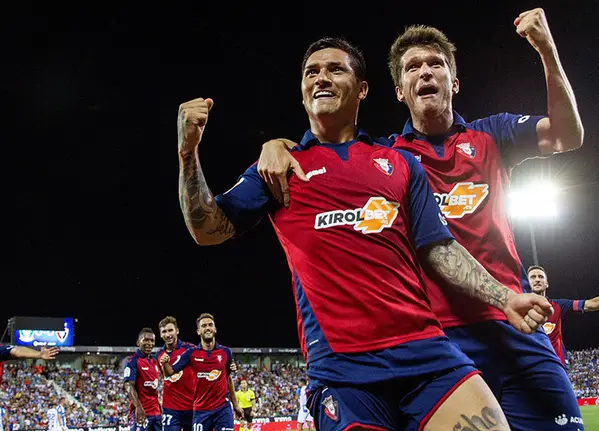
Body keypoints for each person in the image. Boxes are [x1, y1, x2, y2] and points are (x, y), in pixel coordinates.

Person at [175, 37, 552, 431]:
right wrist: (188, 154)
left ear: (362, 89)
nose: (321, 78)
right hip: (344, 370)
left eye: (335, 69)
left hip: (428, 353)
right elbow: (207, 229)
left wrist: (505, 297)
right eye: (311, 72)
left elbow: (439, 249)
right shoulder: (279, 168)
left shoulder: (400, 163)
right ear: (302, 93)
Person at [257, 10, 585, 430]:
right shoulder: (386, 159)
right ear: (399, 91)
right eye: (413, 67)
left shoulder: (492, 135)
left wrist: (546, 49)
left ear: (455, 81)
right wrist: (277, 144)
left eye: (436, 64)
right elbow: (327, 150)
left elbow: (566, 135)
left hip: (514, 321)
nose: (425, 72)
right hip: (438, 344)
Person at [528, 265, 599, 367]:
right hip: (529, 365)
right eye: (533, 277)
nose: (537, 280)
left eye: (541, 277)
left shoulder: (558, 306)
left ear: (547, 284)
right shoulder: (519, 310)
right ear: (525, 283)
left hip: (555, 364)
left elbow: (591, 304)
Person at [159, 313, 243, 431]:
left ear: (215, 329)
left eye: (210, 325)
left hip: (222, 408)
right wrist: (165, 363)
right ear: (198, 331)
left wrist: (236, 405)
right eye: (204, 326)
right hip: (201, 410)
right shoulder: (191, 353)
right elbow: (169, 373)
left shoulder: (226, 352)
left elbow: (228, 378)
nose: (207, 328)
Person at [158, 316, 197, 431]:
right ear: (160, 334)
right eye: (164, 331)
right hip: (171, 408)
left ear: (177, 331)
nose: (167, 334)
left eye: (170, 330)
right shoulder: (159, 354)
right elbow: (165, 376)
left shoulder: (190, 349)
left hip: (192, 406)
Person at [124, 328, 162, 431]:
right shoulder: (132, 361)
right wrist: (138, 407)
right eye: (146, 340)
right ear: (138, 342)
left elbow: (153, 390)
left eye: (152, 340)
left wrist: (160, 409)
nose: (149, 343)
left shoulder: (154, 363)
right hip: (142, 413)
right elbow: (128, 385)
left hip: (156, 414)